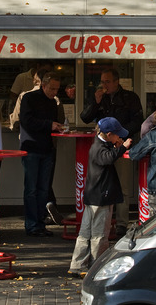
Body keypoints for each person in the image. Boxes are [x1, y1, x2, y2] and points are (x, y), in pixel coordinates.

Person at [80, 68, 143, 236]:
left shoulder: (130, 97)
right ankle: (103, 222)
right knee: (100, 182)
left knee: (122, 185)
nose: (104, 85)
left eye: (107, 81)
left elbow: (138, 121)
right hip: (102, 146)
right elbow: (84, 117)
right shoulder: (100, 97)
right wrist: (96, 102)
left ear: (116, 81)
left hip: (121, 145)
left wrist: (120, 138)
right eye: (102, 81)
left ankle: (121, 224)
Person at [68, 117, 131, 278]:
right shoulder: (99, 149)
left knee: (85, 233)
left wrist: (115, 146)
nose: (120, 138)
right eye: (117, 135)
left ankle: (77, 265)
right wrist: (122, 148)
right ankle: (96, 265)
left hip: (93, 195)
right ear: (109, 134)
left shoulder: (98, 144)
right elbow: (107, 158)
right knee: (100, 233)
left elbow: (107, 155)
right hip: (101, 196)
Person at [19, 72, 63, 237]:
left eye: (57, 89)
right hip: (31, 148)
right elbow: (26, 121)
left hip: (46, 148)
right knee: (32, 189)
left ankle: (40, 222)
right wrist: (49, 125)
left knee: (43, 189)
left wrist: (54, 126)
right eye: (52, 88)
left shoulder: (53, 102)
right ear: (43, 85)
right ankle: (32, 224)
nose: (54, 92)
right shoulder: (28, 98)